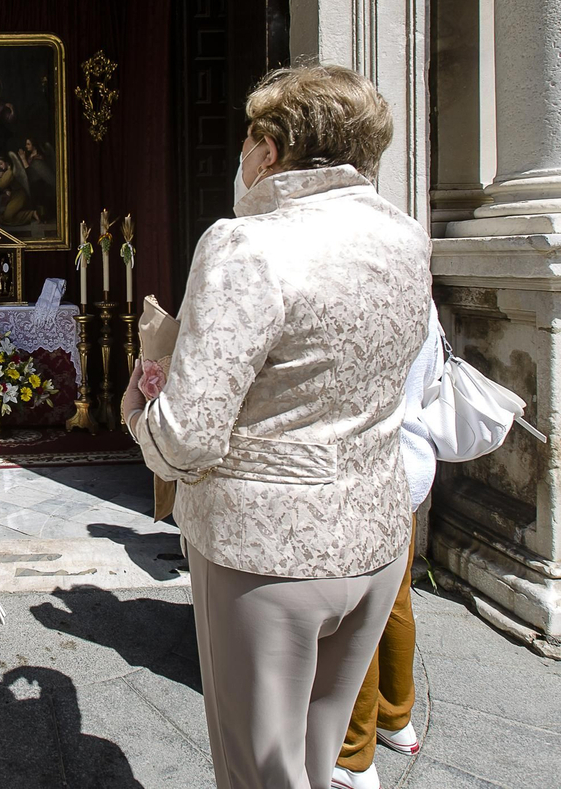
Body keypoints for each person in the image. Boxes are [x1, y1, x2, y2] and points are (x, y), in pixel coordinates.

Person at [122, 64, 432, 789]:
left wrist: (142, 413)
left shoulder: (247, 244)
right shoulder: (405, 236)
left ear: (268, 147)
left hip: (264, 549)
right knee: (317, 759)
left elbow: (189, 436)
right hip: (377, 531)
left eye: (246, 143)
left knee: (259, 769)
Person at [331, 304, 446, 789]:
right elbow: (433, 376)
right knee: (394, 600)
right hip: (409, 461)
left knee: (356, 613)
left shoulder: (358, 288)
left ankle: (353, 754)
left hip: (366, 472)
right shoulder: (417, 289)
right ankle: (397, 720)